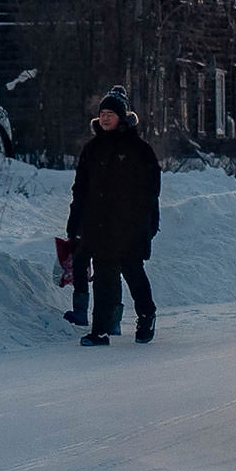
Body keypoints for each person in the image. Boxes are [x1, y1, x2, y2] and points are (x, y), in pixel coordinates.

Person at [66, 86, 161, 347]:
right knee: (104, 279)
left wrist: (147, 224)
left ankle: (146, 315)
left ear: (123, 117)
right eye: (103, 113)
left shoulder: (139, 150)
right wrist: (75, 223)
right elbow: (81, 190)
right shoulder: (92, 150)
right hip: (100, 226)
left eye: (111, 113)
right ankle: (100, 331)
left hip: (130, 227)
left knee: (133, 272)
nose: (106, 117)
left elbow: (151, 192)